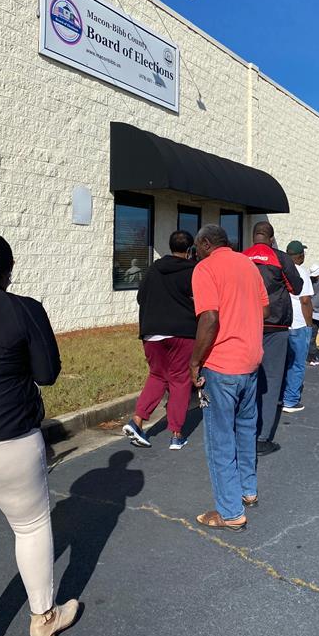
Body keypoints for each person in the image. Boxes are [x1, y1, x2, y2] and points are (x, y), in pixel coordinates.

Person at [0, 233, 78, 636]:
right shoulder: (25, 309)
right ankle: (44, 619)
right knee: (30, 526)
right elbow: (46, 373)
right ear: (9, 270)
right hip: (11, 436)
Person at [189, 225, 269, 531]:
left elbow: (209, 318)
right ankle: (247, 491)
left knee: (220, 439)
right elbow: (264, 309)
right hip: (251, 362)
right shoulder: (248, 265)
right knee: (245, 430)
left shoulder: (205, 268)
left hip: (222, 366)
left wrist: (195, 362)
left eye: (198, 248)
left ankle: (230, 511)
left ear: (206, 244)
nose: (196, 253)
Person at [122, 230, 197, 451]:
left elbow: (140, 297)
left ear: (169, 246)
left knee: (157, 376)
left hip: (152, 332)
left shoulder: (153, 269)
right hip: (182, 332)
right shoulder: (193, 271)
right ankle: (176, 433)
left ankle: (137, 421)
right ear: (190, 249)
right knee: (179, 380)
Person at [243, 223, 303, 455]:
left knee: (247, 378)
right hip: (275, 324)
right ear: (271, 238)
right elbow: (296, 287)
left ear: (253, 236)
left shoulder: (242, 257)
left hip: (246, 323)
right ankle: (262, 437)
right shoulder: (280, 258)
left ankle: (243, 432)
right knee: (272, 378)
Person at [282, 242, 314, 413]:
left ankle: (280, 396)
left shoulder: (280, 270)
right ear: (300, 256)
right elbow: (306, 301)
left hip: (281, 323)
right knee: (297, 363)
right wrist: (309, 325)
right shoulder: (301, 272)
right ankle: (291, 399)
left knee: (282, 362)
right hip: (299, 323)